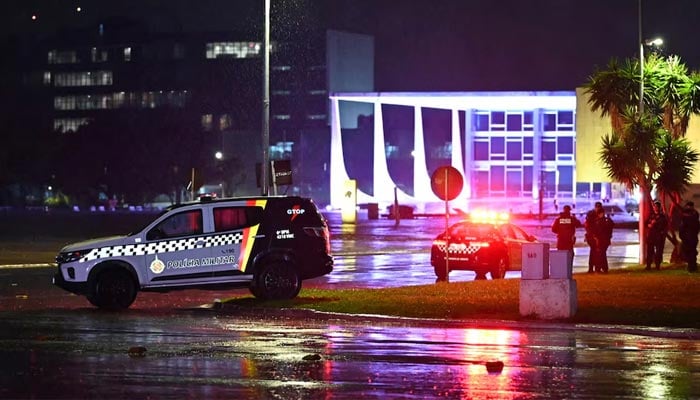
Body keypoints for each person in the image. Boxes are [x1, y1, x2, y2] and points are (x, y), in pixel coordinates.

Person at [589, 207, 614, 273]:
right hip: (605, 240)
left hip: (600, 240)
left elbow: (595, 231)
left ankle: (599, 268)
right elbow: (611, 228)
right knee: (602, 254)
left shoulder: (598, 221)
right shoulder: (607, 220)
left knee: (600, 254)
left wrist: (596, 238)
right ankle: (603, 268)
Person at [645, 200, 668, 270]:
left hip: (658, 236)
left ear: (659, 207)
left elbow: (663, 226)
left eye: (656, 207)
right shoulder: (651, 215)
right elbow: (646, 223)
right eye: (654, 206)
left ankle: (657, 265)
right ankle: (648, 265)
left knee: (658, 251)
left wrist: (655, 225)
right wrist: (650, 225)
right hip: (651, 236)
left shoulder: (662, 217)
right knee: (649, 251)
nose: (655, 208)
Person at [679, 201, 700, 272]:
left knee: (689, 252)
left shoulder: (686, 217)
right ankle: (693, 266)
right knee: (692, 252)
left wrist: (682, 236)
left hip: (688, 237)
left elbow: (682, 228)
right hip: (693, 237)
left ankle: (691, 267)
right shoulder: (695, 216)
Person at [584, 202, 604, 273]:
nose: (598, 208)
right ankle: (594, 268)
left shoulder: (598, 213)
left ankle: (594, 268)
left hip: (595, 236)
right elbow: (589, 226)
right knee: (595, 252)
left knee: (594, 252)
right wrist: (594, 236)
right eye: (597, 207)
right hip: (592, 236)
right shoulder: (591, 215)